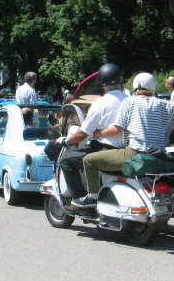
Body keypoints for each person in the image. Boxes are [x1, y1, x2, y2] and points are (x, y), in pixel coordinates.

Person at [76, 73, 174, 208]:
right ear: (153, 87)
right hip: (158, 154)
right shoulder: (164, 104)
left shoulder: (129, 101)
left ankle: (92, 197)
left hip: (135, 153)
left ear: (136, 86)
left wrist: (97, 134)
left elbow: (117, 129)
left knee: (88, 161)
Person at [54, 63, 128, 201]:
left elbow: (83, 133)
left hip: (106, 151)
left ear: (102, 84)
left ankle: (81, 200)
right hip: (126, 150)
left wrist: (65, 140)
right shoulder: (128, 100)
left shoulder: (101, 103)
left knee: (66, 160)